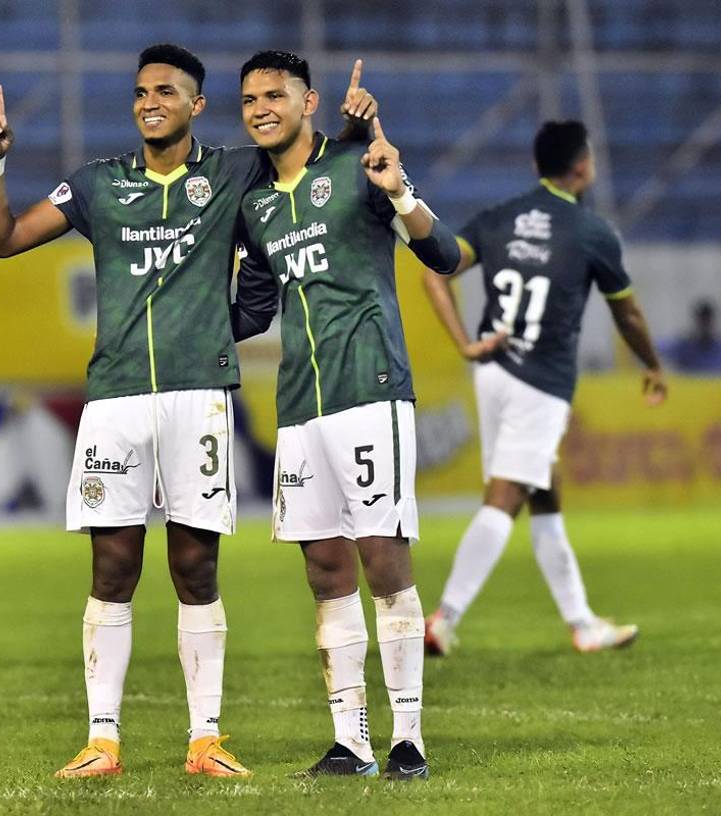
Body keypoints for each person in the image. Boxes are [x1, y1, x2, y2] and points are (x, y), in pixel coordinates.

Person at [0, 43, 376, 778]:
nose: (149, 102)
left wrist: (354, 130)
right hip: (116, 398)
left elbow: (305, 157)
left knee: (196, 565)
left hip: (199, 398)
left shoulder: (232, 172)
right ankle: (102, 740)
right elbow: (2, 242)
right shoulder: (97, 185)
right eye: (140, 92)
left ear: (197, 105)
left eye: (165, 91)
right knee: (113, 566)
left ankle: (205, 739)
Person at [230, 50, 461, 780]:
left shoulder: (359, 166)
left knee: (383, 558)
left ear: (308, 102)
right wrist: (174, 319)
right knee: (325, 568)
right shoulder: (256, 205)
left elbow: (445, 255)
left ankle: (408, 739)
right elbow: (253, 310)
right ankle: (351, 741)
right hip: (300, 403)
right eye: (250, 99)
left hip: (370, 387)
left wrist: (400, 191)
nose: (261, 109)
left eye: (275, 95)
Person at [419, 120, 667, 656]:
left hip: (493, 371)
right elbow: (627, 313)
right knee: (506, 497)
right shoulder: (592, 232)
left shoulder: (499, 218)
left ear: (537, 166)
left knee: (544, 491)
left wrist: (464, 343)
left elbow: (434, 272)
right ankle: (443, 618)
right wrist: (652, 364)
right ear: (583, 167)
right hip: (541, 379)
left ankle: (582, 623)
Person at [659, 298, 721, 375]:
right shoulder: (683, 347)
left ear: (713, 321)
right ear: (696, 321)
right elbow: (658, 349)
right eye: (702, 320)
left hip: (720, 395)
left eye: (707, 320)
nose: (705, 325)